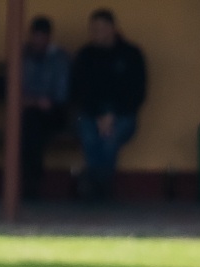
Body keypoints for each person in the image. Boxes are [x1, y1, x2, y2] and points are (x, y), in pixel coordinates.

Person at [69, 9, 147, 202]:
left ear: (113, 29)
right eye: (93, 29)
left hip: (123, 114)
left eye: (102, 28)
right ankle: (100, 188)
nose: (97, 33)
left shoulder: (131, 55)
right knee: (89, 135)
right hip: (89, 114)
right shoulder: (85, 56)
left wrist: (112, 115)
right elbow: (78, 92)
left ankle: (95, 187)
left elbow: (137, 93)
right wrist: (98, 115)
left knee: (109, 138)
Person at [19, 15, 70, 201]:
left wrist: (34, 101)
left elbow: (59, 97)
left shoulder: (59, 58)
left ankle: (30, 182)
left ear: (49, 37)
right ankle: (31, 181)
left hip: (54, 113)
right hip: (29, 113)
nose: (37, 40)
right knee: (29, 124)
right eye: (35, 35)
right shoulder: (22, 55)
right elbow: (16, 90)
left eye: (42, 36)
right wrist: (33, 101)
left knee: (31, 126)